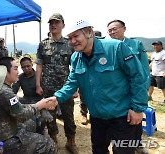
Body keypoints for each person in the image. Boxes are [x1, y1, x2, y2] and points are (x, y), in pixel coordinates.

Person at [45, 19, 148, 154]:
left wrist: (137, 108)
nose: (72, 41)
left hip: (121, 115)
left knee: (123, 151)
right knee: (98, 150)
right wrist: (57, 98)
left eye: (76, 36)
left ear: (89, 33)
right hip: (97, 116)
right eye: (70, 38)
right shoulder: (76, 57)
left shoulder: (115, 48)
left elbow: (137, 76)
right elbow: (72, 82)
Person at [0, 58, 57, 154]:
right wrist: (40, 105)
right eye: (15, 69)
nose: (18, 71)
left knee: (31, 124)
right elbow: (21, 115)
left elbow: (17, 107)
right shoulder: (5, 92)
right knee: (49, 144)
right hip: (5, 140)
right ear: (6, 72)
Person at [35, 13, 78, 153]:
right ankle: (53, 140)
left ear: (63, 25)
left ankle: (71, 141)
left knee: (68, 115)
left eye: (56, 22)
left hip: (65, 87)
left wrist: (75, 88)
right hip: (47, 87)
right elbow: (39, 65)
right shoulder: (43, 44)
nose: (53, 25)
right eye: (51, 23)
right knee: (49, 116)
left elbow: (75, 67)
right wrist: (38, 84)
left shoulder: (69, 44)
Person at [107, 19, 150, 154]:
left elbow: (144, 70)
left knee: (135, 118)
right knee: (121, 120)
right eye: (110, 30)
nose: (112, 32)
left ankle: (137, 143)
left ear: (124, 28)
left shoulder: (135, 44)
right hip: (117, 92)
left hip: (134, 89)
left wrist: (143, 92)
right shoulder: (109, 47)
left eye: (115, 28)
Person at [79, 30, 105, 125]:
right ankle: (84, 114)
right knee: (83, 97)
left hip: (99, 82)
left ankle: (93, 114)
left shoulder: (104, 52)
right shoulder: (81, 52)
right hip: (85, 80)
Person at [148, 41, 165, 105]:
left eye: (157, 45)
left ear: (161, 46)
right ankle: (149, 97)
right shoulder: (153, 54)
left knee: (163, 87)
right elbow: (152, 63)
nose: (155, 46)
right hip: (153, 73)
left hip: (161, 74)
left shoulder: (163, 53)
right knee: (151, 85)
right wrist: (147, 69)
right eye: (154, 45)